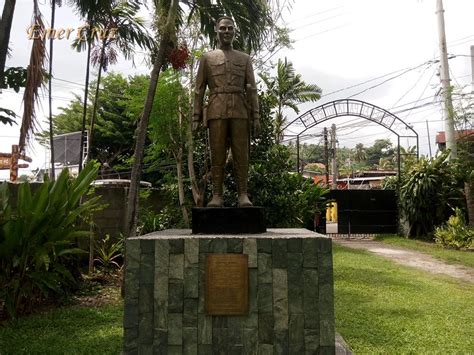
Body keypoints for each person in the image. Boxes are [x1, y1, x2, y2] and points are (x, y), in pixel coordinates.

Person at [192, 16, 260, 207]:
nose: (227, 31)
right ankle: (217, 196)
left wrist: (256, 117)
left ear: (235, 31)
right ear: (216, 31)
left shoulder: (244, 59)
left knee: (241, 154)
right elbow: (199, 89)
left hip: (240, 110)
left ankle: (243, 195)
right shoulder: (207, 58)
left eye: (230, 28)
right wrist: (196, 117)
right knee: (217, 154)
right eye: (223, 28)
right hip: (216, 109)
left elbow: (252, 89)